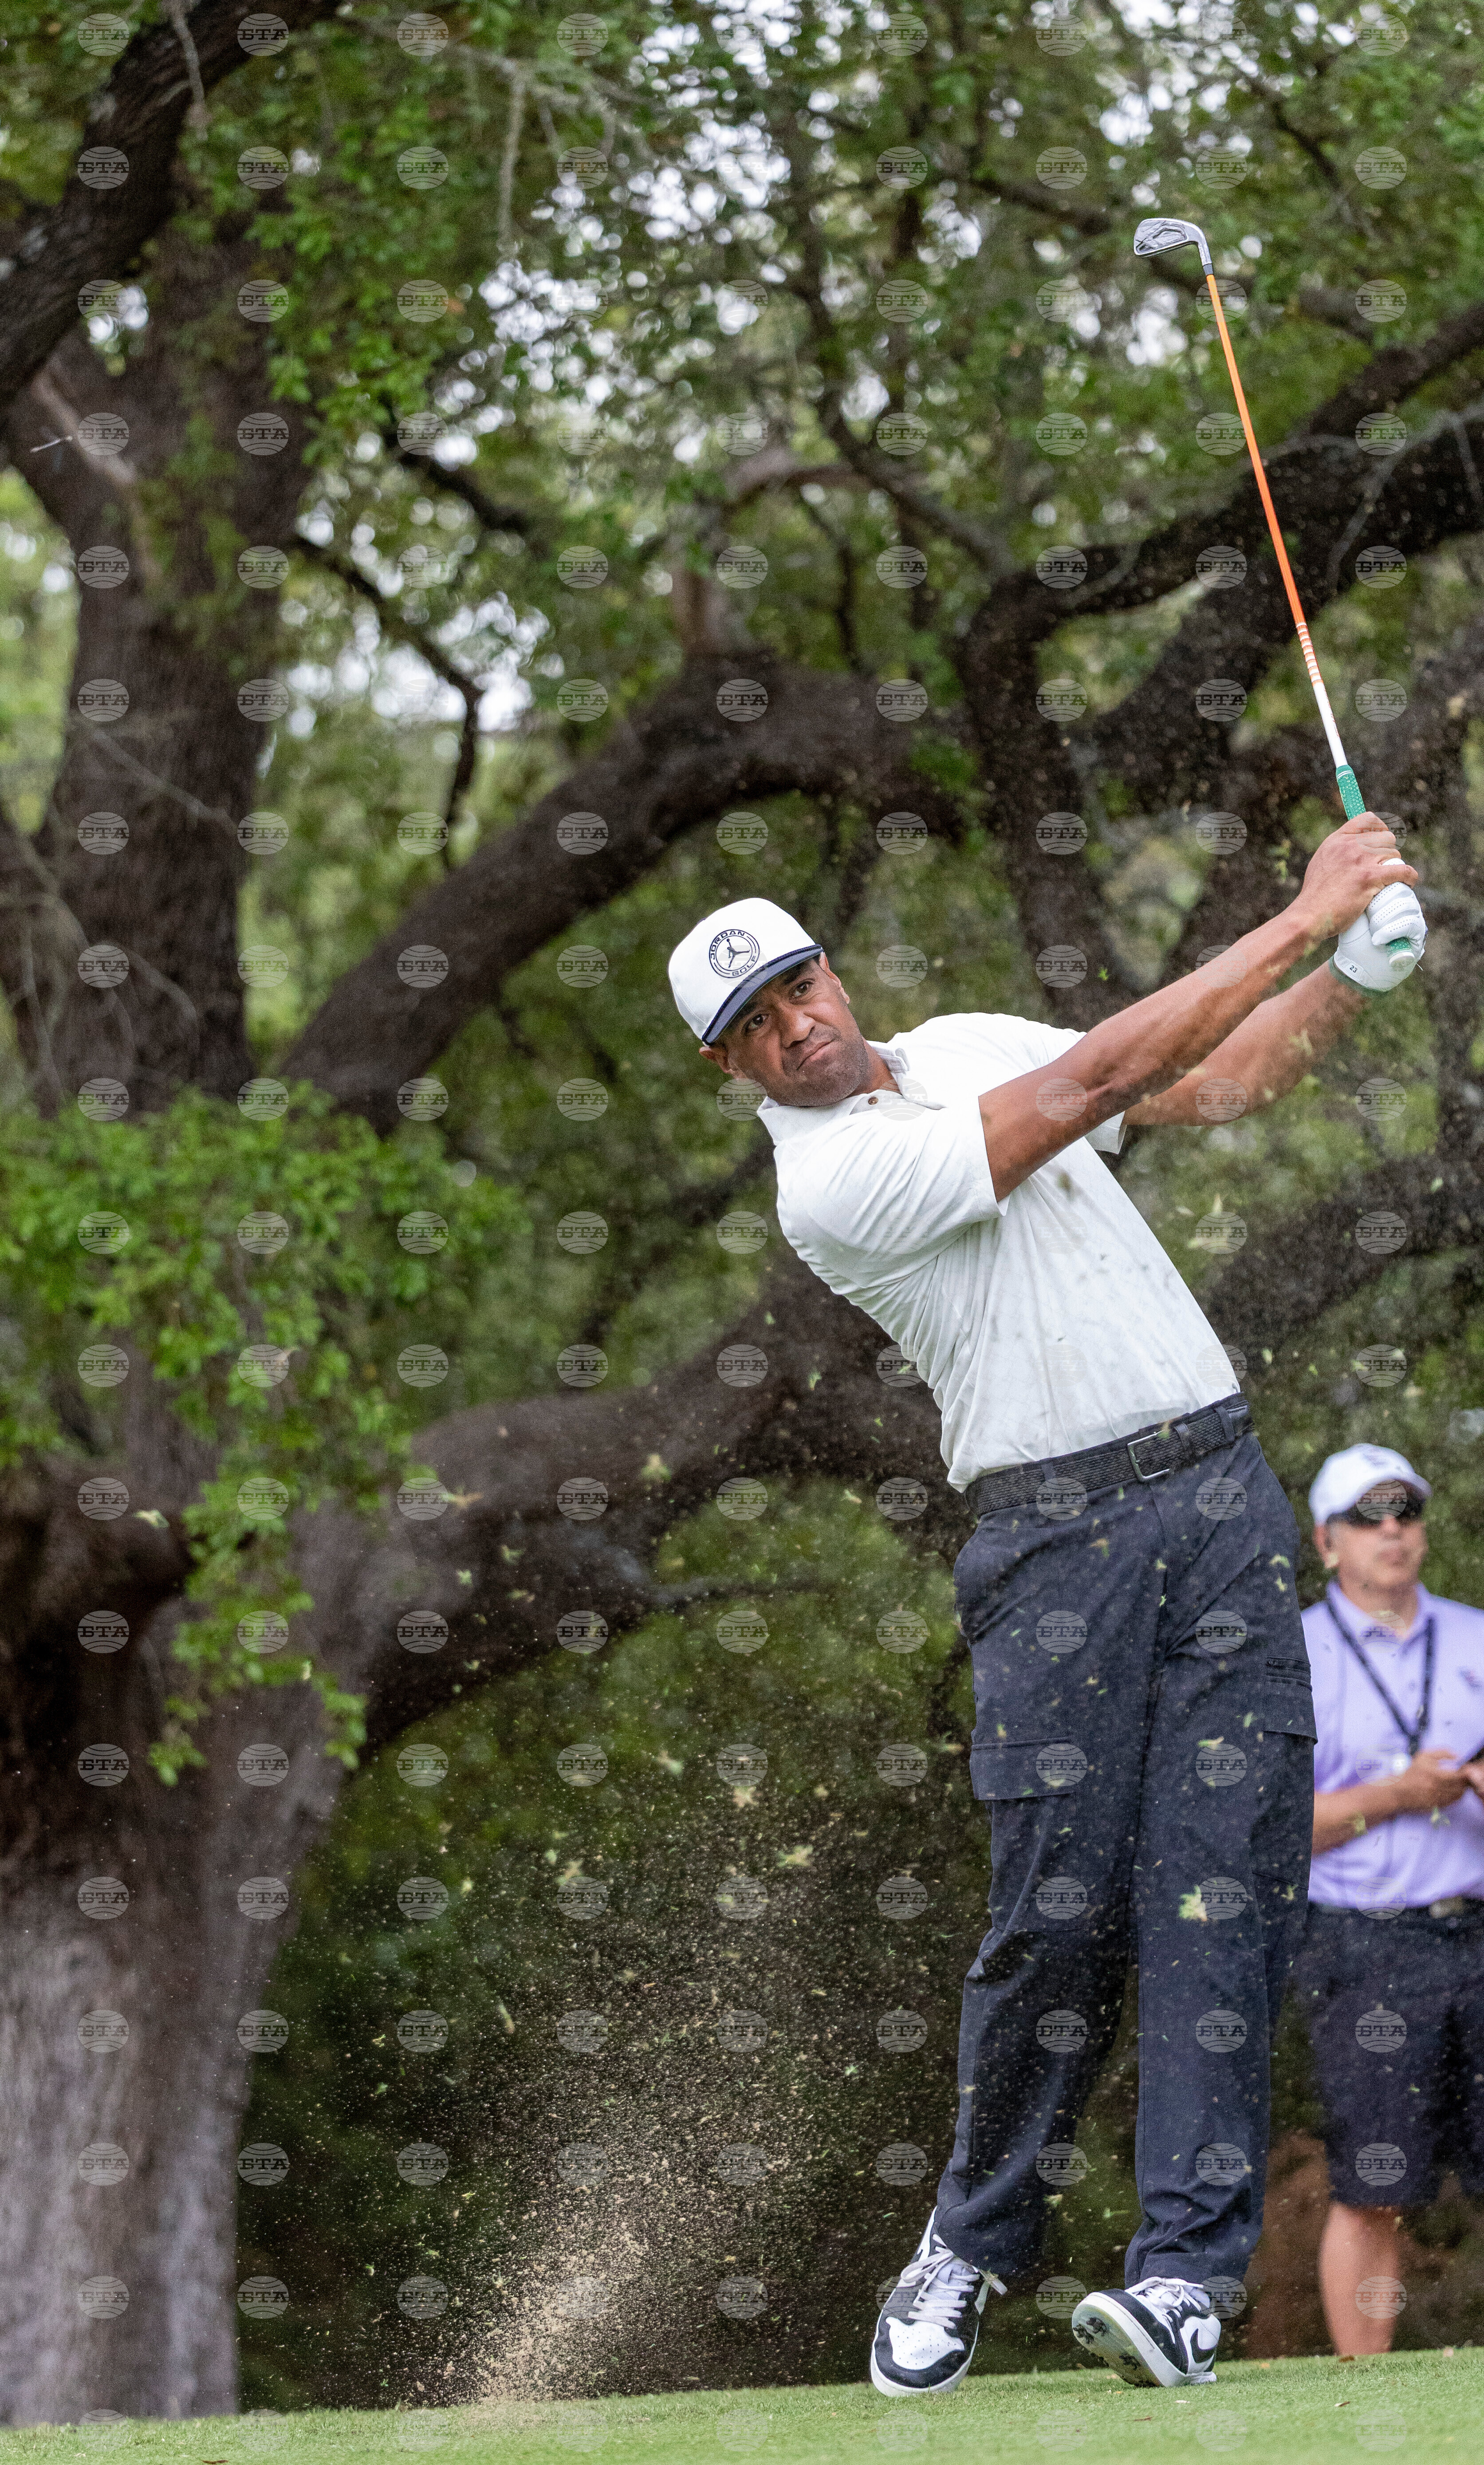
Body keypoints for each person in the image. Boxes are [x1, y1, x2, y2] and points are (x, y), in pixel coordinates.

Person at [666, 814, 1426, 2395]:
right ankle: (972, 2235)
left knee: (1220, 1894)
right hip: (1053, 1542)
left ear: (828, 963)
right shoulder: (834, 1182)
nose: (799, 1022)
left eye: (799, 981)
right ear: (729, 1068)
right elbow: (1078, 1090)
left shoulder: (953, 1044)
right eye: (757, 1024)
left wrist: (1346, 969)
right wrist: (1298, 914)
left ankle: (1183, 2278)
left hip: (1216, 1495)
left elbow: (1199, 1082)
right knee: (1055, 1918)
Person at [1295, 1443, 1484, 2356]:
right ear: (1327, 1541)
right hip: (1360, 1946)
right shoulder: (1292, 1653)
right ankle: (1357, 2392)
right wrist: (1395, 1797)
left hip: (1477, 1927)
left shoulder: (1475, 1635)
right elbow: (1272, 1827)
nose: (1391, 1531)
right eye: (1367, 1517)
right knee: (1376, 2181)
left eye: (1404, 1511)